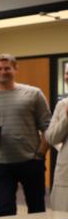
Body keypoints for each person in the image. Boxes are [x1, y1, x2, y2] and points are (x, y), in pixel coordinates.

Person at [0, 54, 51, 216]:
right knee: (4, 210)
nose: (3, 72)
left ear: (15, 69)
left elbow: (48, 127)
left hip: (31, 160)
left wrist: (40, 155)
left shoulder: (33, 94)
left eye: (7, 68)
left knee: (37, 209)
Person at [46, 63, 68, 211]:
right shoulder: (63, 105)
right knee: (60, 218)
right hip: (66, 174)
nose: (67, 77)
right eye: (67, 73)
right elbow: (51, 138)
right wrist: (66, 118)